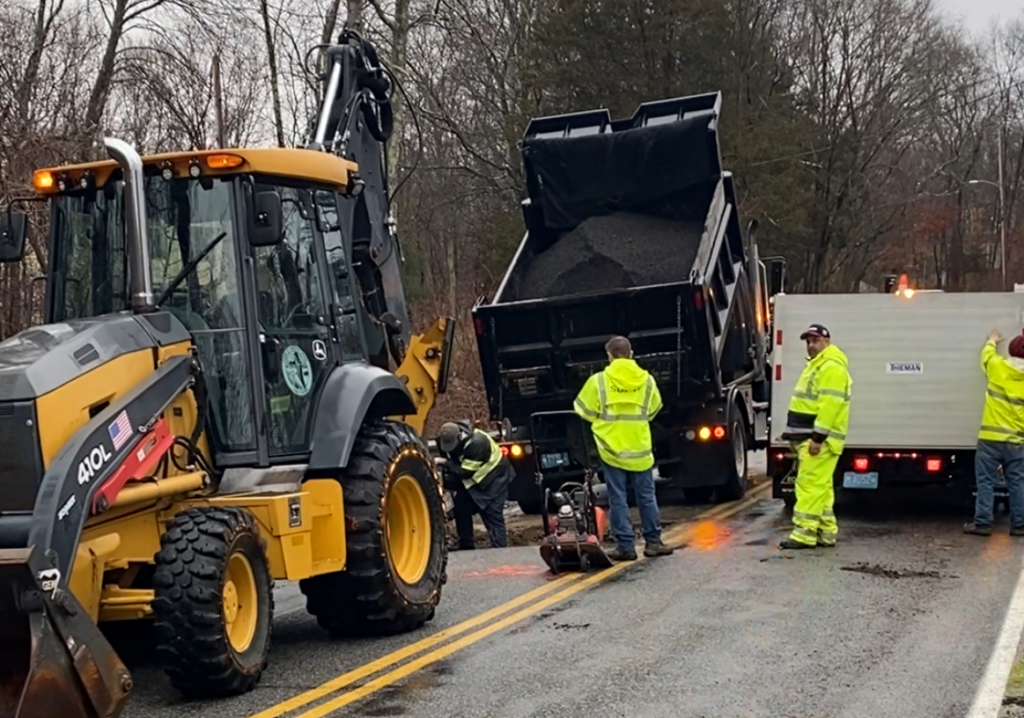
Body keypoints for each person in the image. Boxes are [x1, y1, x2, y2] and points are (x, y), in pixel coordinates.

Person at [573, 335, 674, 561]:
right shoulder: (646, 380)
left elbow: (582, 410)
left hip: (611, 448)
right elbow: (654, 409)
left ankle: (626, 547)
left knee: (617, 497)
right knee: (647, 496)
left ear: (609, 356)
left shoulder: (599, 381)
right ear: (631, 354)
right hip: (639, 447)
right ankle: (654, 542)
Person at [780, 324, 852, 550]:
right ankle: (825, 531)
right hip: (810, 438)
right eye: (808, 341)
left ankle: (804, 534)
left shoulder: (831, 367)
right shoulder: (819, 365)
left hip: (818, 441)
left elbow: (830, 406)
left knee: (809, 486)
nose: (811, 346)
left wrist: (817, 438)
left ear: (826, 342)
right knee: (820, 487)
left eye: (815, 341)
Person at [964, 330, 1024, 537]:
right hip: (1016, 440)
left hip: (990, 438)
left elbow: (987, 356)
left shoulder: (998, 367)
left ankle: (982, 524)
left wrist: (991, 341)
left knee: (986, 481)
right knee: (1017, 482)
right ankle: (1019, 525)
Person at [436, 420, 513, 550]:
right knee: (461, 508)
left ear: (460, 436)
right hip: (475, 481)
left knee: (492, 513)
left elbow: (465, 472)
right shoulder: (444, 439)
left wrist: (444, 462)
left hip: (495, 480)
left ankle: (500, 549)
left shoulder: (477, 443)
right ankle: (466, 544)